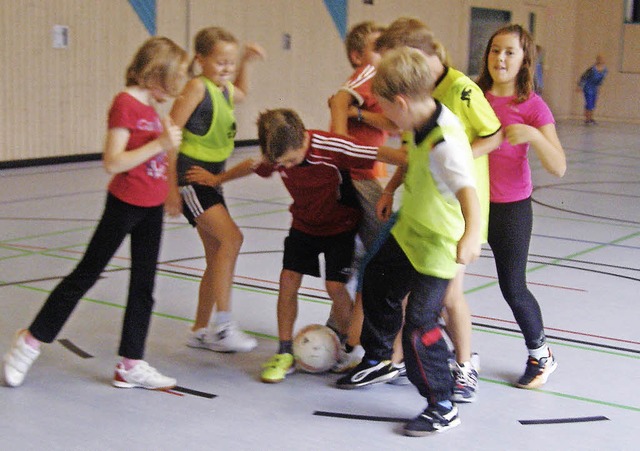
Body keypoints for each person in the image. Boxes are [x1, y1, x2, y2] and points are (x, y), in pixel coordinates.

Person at [2, 37, 188, 390]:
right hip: (125, 205)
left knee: (144, 286)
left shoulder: (151, 108)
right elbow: (113, 161)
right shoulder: (125, 104)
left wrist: (168, 189)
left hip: (150, 208)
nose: (177, 89)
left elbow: (158, 159)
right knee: (86, 274)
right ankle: (30, 341)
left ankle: (130, 363)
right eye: (173, 78)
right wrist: (159, 144)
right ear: (154, 74)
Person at [338, 17, 503, 403]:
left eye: (386, 112)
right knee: (376, 280)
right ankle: (380, 358)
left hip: (437, 245)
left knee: (419, 326)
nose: (388, 122)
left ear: (400, 103)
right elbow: (410, 158)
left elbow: (469, 192)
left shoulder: (446, 140)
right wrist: (391, 188)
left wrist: (469, 235)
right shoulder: (420, 120)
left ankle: (441, 402)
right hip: (411, 230)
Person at [189, 109, 406, 383]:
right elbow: (251, 165)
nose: (287, 167)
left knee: (335, 287)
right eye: (282, 164)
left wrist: (413, 167)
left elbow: (385, 154)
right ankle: (284, 351)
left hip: (340, 226)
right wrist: (218, 179)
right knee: (287, 280)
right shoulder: (277, 156)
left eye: (291, 160)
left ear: (303, 137)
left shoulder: (330, 146)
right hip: (303, 225)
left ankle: (352, 349)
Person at [476, 24, 566, 389]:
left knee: (512, 286)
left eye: (509, 52)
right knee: (443, 280)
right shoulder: (474, 95)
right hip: (472, 203)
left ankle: (541, 354)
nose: (500, 58)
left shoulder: (532, 105)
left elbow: (558, 166)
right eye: (495, 50)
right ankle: (449, 356)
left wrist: (532, 135)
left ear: (524, 59)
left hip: (511, 208)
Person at [168, 27, 265, 353]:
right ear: (200, 60)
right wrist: (171, 189)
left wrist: (246, 64)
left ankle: (199, 330)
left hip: (212, 177)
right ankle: (223, 326)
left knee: (216, 255)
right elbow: (169, 136)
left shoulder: (222, 88)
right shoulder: (197, 87)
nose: (226, 68)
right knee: (232, 239)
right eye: (220, 62)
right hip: (192, 177)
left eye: (230, 62)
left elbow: (242, 92)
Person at [327, 20, 399, 373]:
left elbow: (392, 125)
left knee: (359, 258)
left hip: (367, 177)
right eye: (376, 47)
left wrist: (358, 114)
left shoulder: (379, 80)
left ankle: (341, 330)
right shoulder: (365, 72)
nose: (382, 54)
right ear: (358, 55)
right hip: (358, 179)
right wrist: (341, 138)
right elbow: (340, 99)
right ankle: (362, 339)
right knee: (377, 260)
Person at [578, 54, 607, 124]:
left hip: (595, 88)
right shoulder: (592, 69)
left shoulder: (605, 70)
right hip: (588, 87)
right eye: (600, 59)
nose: (601, 60)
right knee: (589, 103)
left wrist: (599, 88)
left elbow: (601, 81)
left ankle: (591, 118)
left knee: (593, 104)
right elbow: (583, 77)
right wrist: (580, 86)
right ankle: (587, 118)